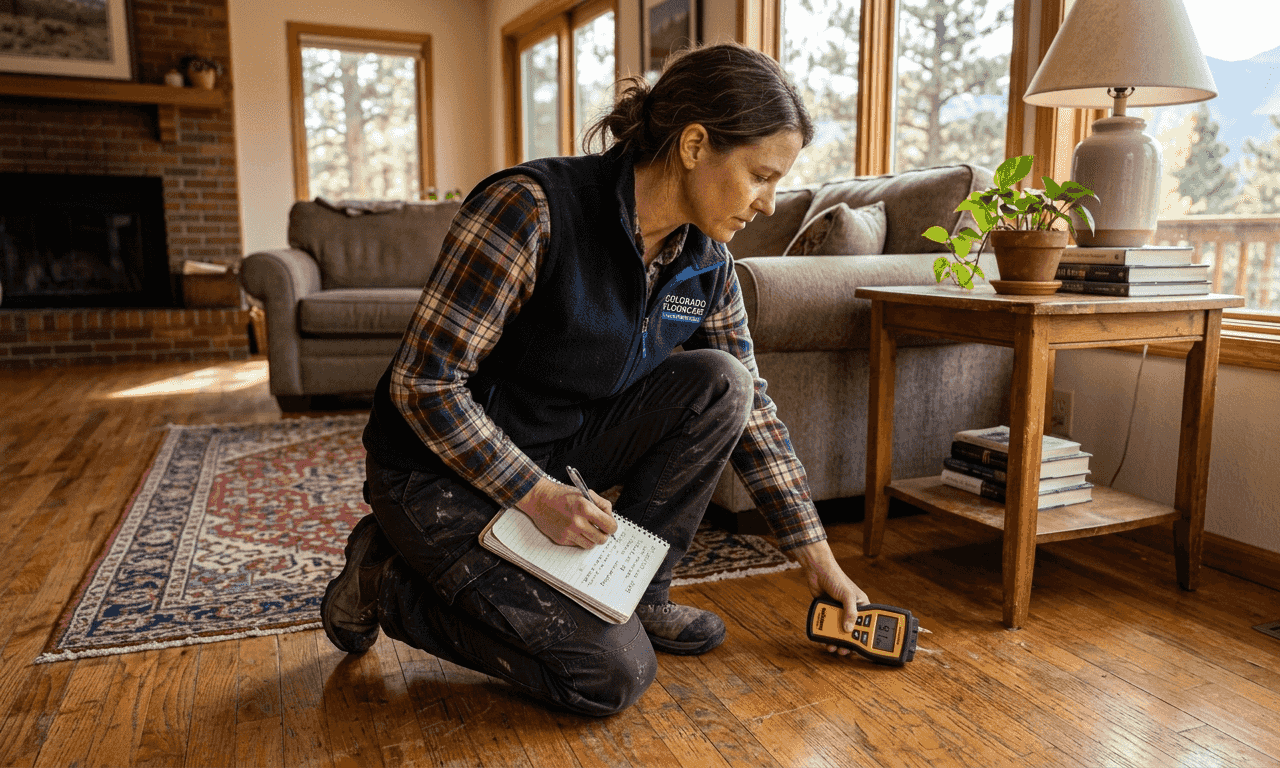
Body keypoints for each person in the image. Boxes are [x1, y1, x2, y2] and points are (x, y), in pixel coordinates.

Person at [320, 41, 871, 716]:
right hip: (435, 473)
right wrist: (535, 494)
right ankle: (386, 582)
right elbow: (423, 385)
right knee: (609, 676)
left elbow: (751, 408)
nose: (768, 204)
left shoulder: (707, 261)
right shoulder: (531, 210)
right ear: (695, 144)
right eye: (761, 175)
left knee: (723, 382)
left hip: (557, 451)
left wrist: (818, 560)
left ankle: (640, 595)